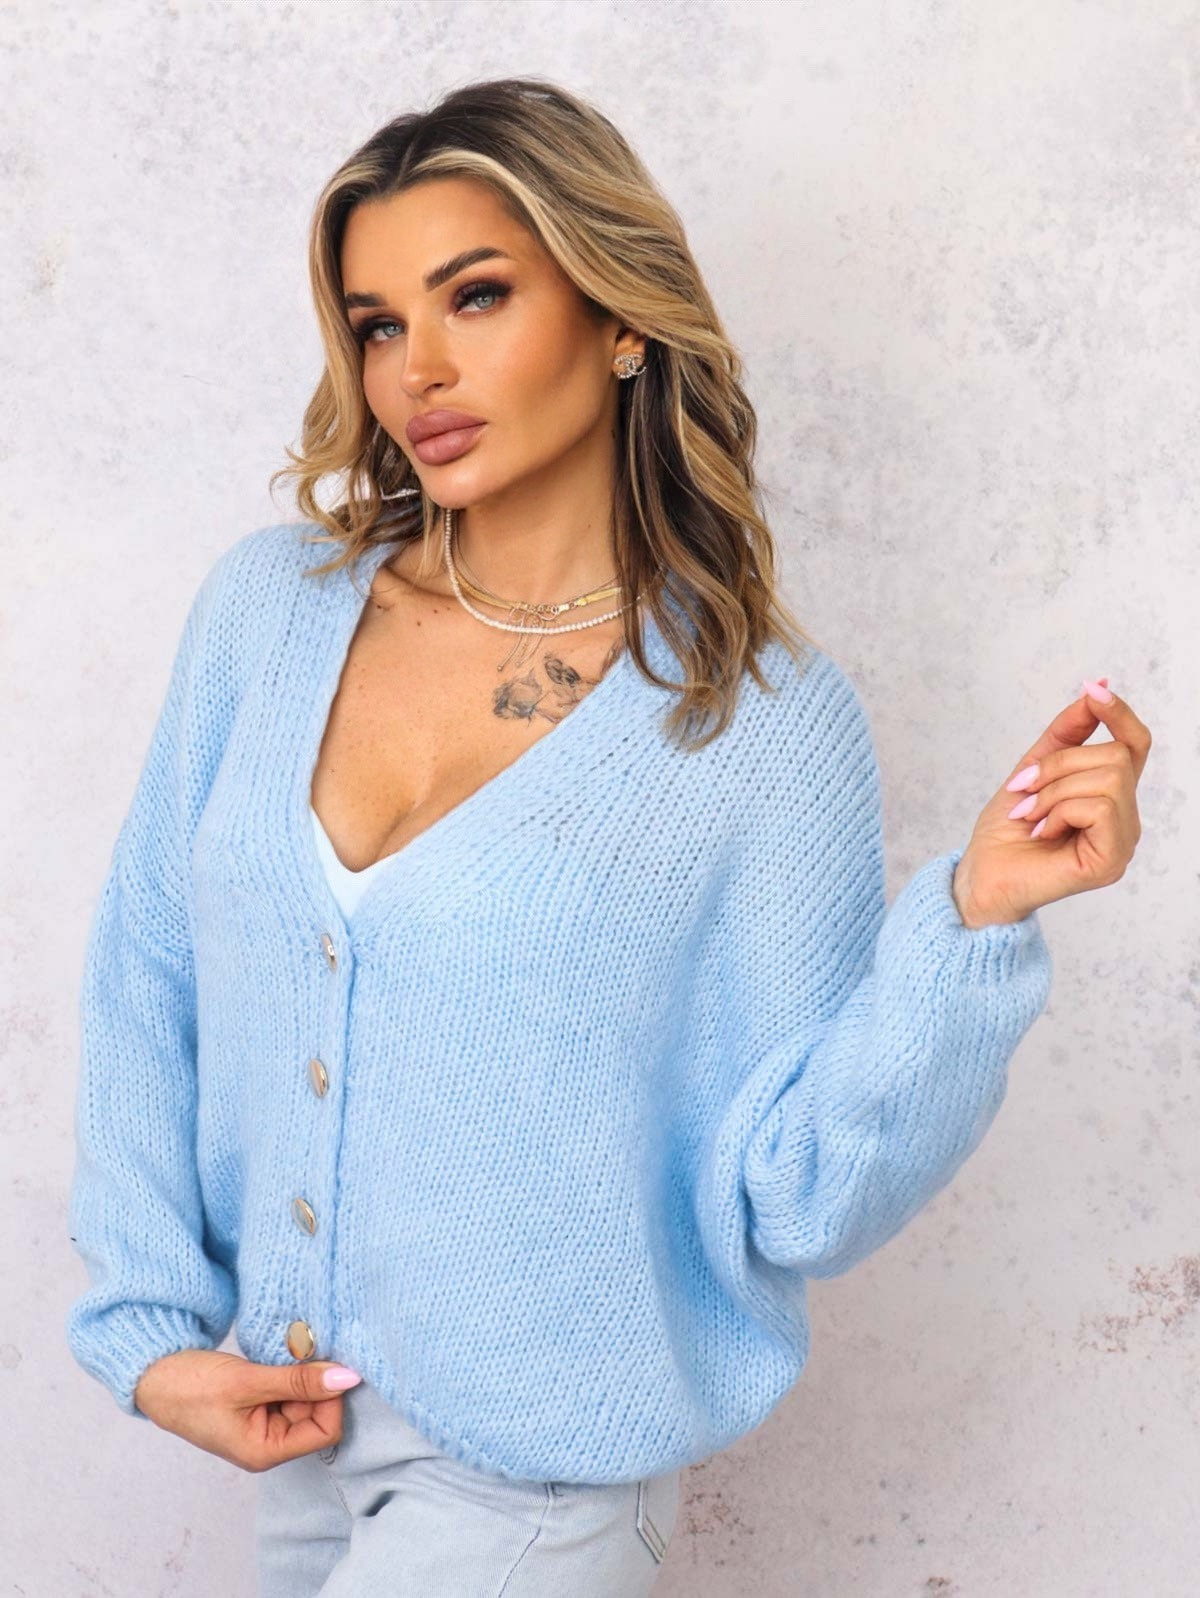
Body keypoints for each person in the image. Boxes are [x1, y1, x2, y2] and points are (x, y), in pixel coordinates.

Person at [65, 76, 1150, 1597]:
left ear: (618, 313)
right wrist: (145, 1330)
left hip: (533, 1497)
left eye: (477, 296)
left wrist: (971, 921)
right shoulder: (271, 612)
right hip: (293, 1446)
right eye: (377, 324)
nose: (417, 370)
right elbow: (148, 972)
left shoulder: (758, 721)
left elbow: (795, 1190)